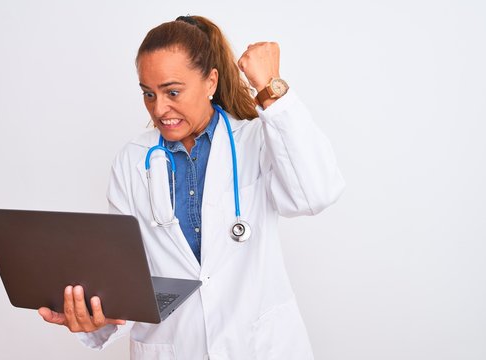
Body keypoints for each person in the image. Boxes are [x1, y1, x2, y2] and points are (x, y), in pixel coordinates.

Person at [38, 15, 345, 359]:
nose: (159, 108)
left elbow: (316, 193)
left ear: (210, 81)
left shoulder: (257, 140)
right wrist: (97, 317)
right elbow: (128, 274)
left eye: (172, 91)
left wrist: (271, 87)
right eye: (148, 94)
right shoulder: (132, 161)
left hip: (258, 348)